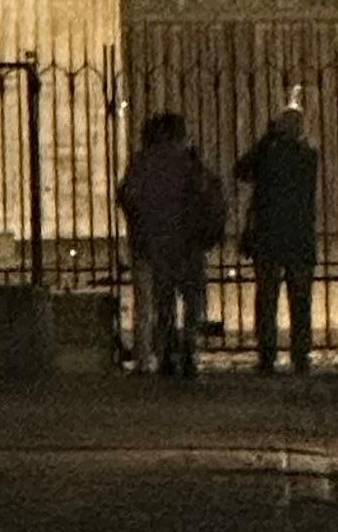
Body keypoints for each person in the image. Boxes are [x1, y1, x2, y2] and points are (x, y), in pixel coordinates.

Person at [117, 107, 224, 379]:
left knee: (164, 302)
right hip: (188, 242)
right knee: (191, 300)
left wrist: (142, 223)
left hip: (157, 242)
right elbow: (209, 193)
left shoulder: (144, 161)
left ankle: (166, 354)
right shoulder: (189, 161)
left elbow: (128, 196)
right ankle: (188, 348)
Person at [236, 87, 320, 373]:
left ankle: (267, 354)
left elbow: (242, 170)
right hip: (299, 236)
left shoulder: (269, 154)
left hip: (269, 235)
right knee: (300, 300)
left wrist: (266, 140)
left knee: (267, 298)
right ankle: (301, 354)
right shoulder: (308, 154)